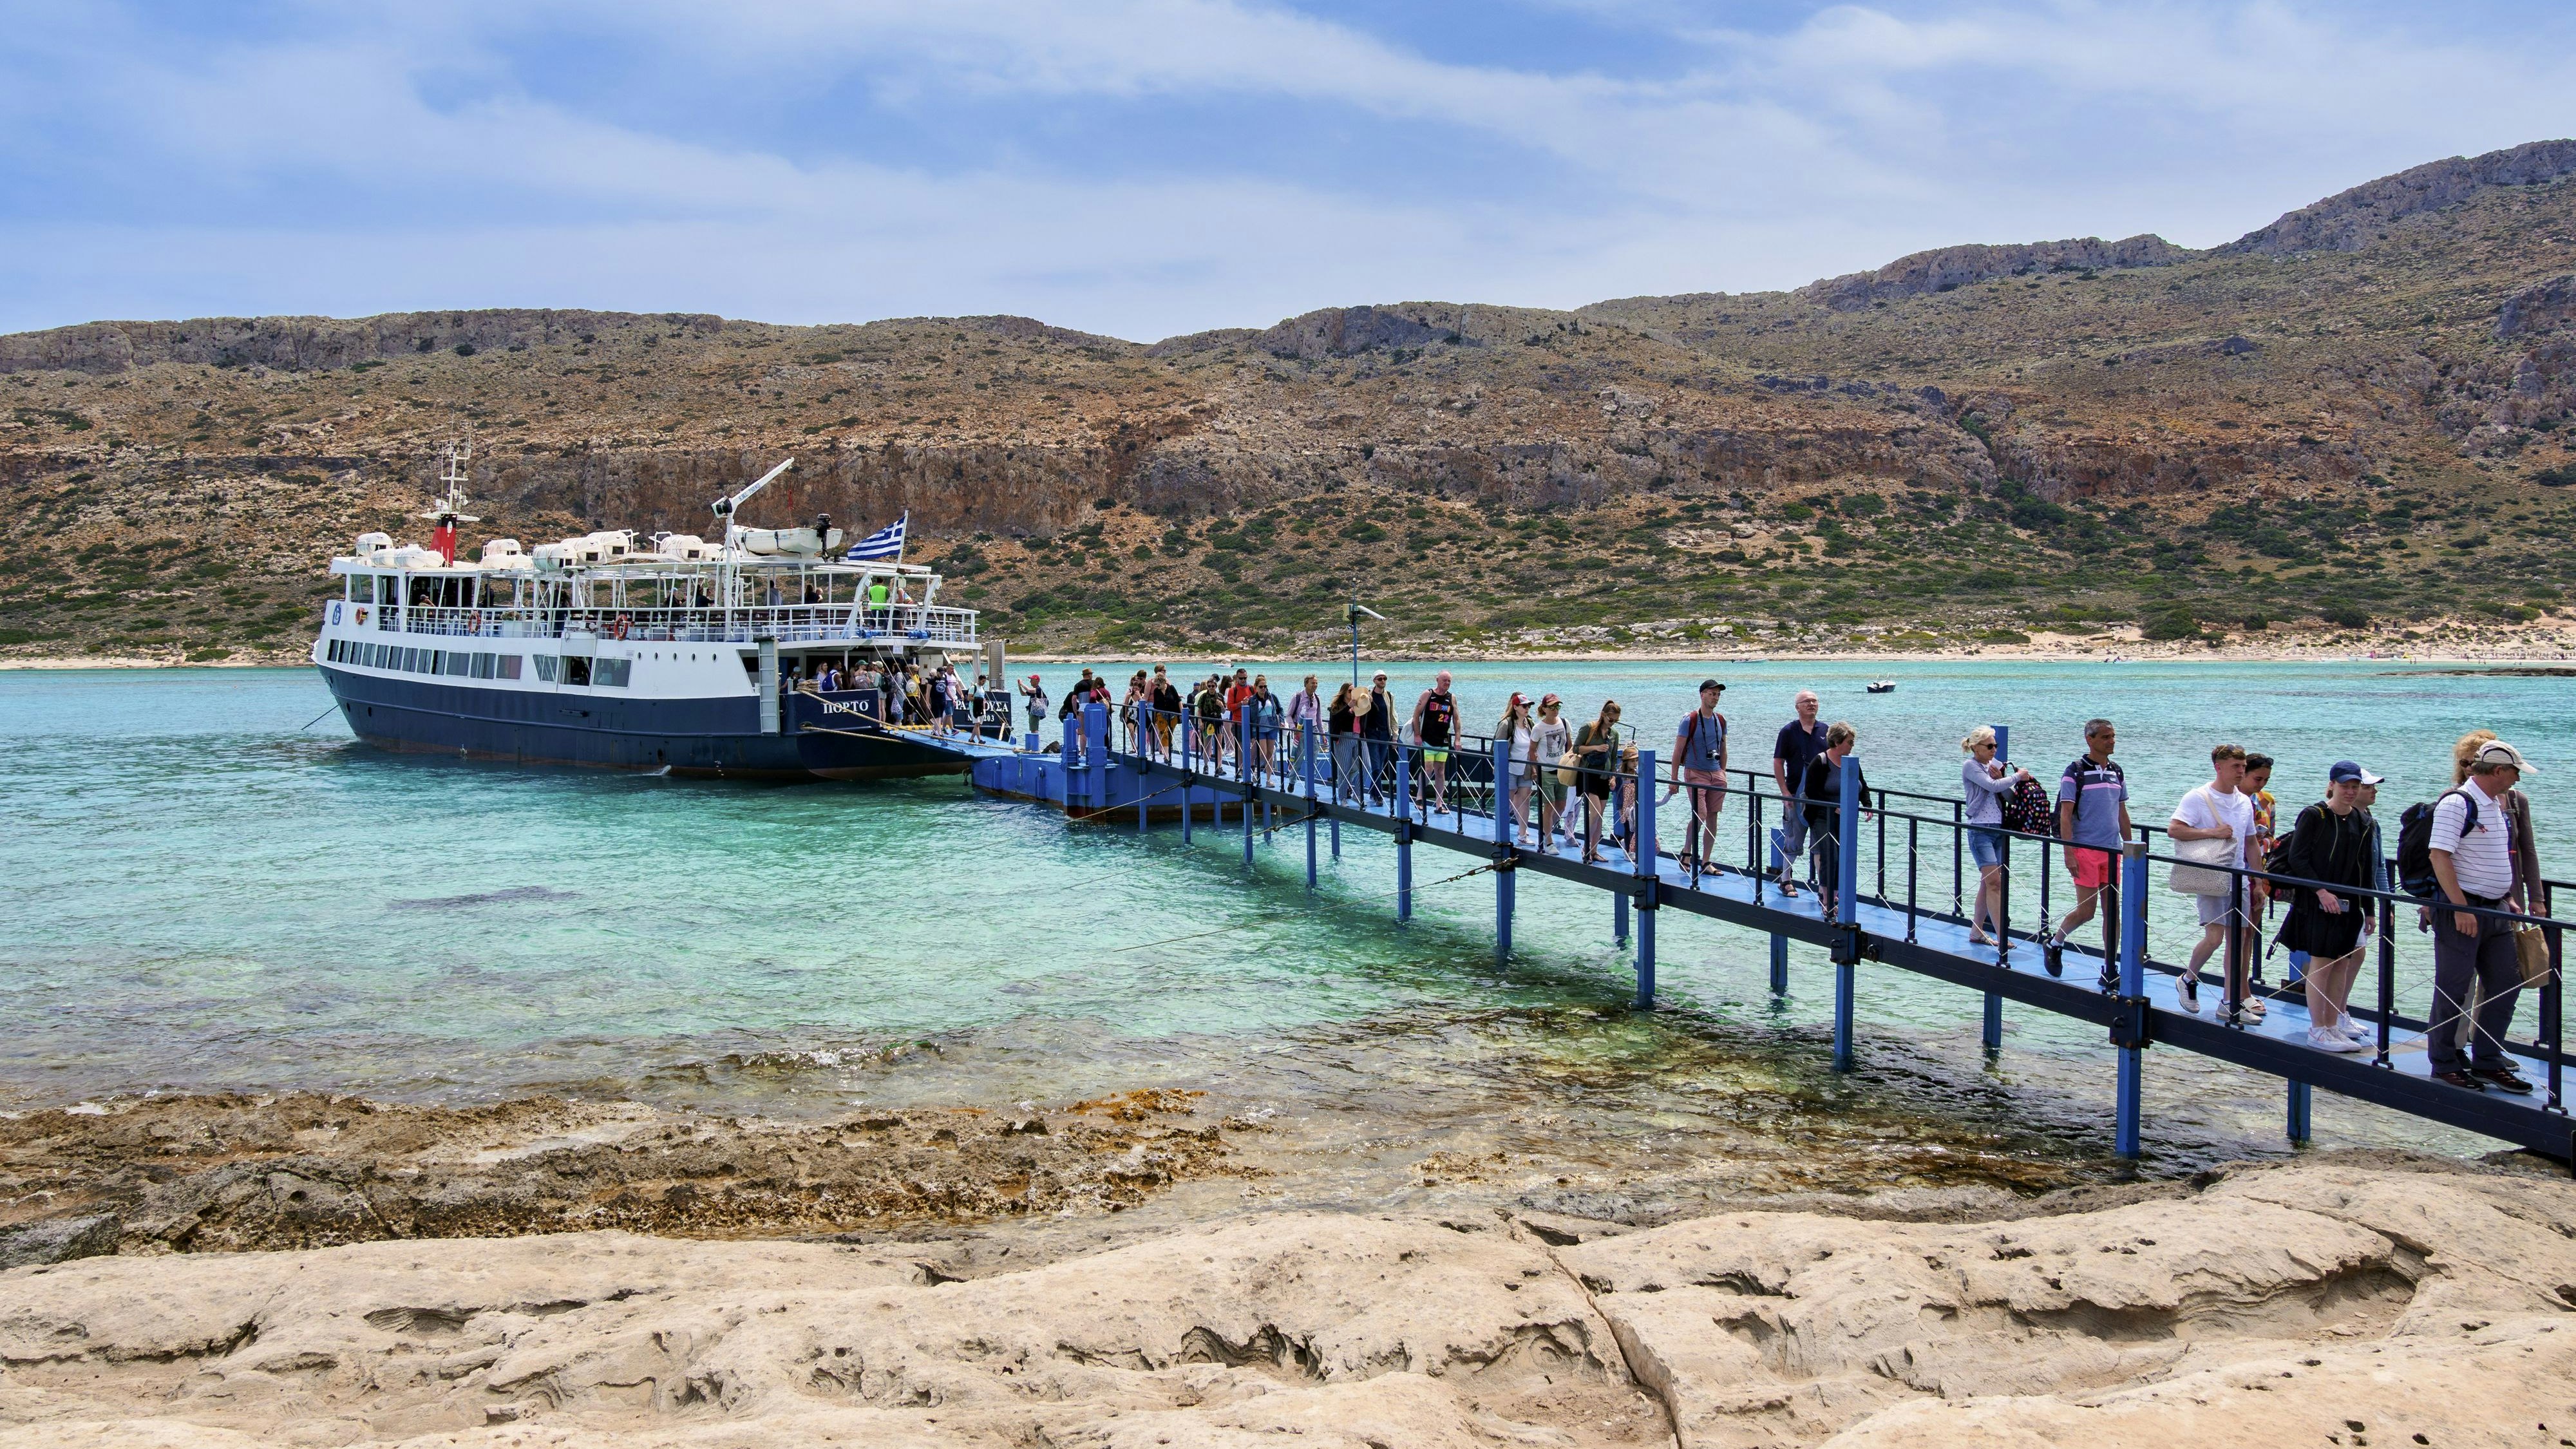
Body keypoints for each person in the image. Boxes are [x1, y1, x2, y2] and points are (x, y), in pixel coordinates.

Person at [2425, 738, 2541, 1094]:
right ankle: (2444, 1062)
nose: (2517, 781)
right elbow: (2439, 856)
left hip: (2497, 910)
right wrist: (2460, 906)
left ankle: (2488, 1060)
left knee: (2507, 983)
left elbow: (2496, 855)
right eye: (2514, 773)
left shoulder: (2497, 803)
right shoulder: (2458, 803)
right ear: (2497, 771)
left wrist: (2507, 895)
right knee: (2454, 988)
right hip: (2464, 911)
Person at [2275, 761, 2382, 1052]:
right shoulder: (2315, 815)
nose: (2350, 791)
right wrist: (2321, 891)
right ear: (2332, 784)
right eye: (2345, 786)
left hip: (2350, 904)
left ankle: (2333, 1025)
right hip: (2318, 902)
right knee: (2321, 963)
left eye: (2355, 786)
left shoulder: (2364, 822)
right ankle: (2318, 1028)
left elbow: (2365, 867)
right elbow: (2299, 858)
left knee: (2342, 964)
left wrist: (2369, 909)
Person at [2167, 743, 2257, 1018]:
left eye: (2243, 767)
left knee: (2239, 939)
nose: (2241, 772)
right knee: (2215, 937)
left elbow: (2251, 842)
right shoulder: (2198, 797)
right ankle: (2188, 978)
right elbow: (2175, 830)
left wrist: (2260, 882)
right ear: (2218, 767)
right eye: (2235, 767)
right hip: (2211, 875)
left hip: (2238, 878)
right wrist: (2213, 833)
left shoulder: (2244, 801)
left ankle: (2230, 1003)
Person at [2047, 718, 2133, 991]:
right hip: (2085, 850)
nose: (2112, 741)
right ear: (2091, 740)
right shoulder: (2075, 772)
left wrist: (2130, 848)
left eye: (2113, 736)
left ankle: (2110, 968)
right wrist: (2068, 853)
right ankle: (2055, 943)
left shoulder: (2117, 772)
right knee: (2087, 912)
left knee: (2113, 912)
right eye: (2106, 737)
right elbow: (2065, 815)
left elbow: (2122, 812)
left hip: (2112, 851)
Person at [1959, 726, 2031, 949]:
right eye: (1990, 746)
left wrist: (2005, 779)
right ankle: (2001, 937)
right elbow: (1990, 785)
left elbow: (2007, 795)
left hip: (1997, 829)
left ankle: (1976, 932)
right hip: (1980, 829)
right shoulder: (1970, 766)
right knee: (1994, 882)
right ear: (1976, 747)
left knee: (1987, 883)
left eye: (1995, 746)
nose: (1994, 750)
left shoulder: (1995, 766)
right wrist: (2017, 776)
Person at [1801, 723, 1871, 919]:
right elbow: (1812, 791)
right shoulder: (1820, 762)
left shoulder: (1851, 762)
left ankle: (1836, 896)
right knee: (1829, 856)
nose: (1852, 745)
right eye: (1849, 742)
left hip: (1846, 817)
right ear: (1838, 742)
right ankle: (1827, 900)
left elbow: (1862, 785)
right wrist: (1832, 806)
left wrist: (1867, 804)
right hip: (1823, 816)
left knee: (1843, 857)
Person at [1665, 679, 1730, 876]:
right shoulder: (1690, 720)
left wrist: (1723, 771)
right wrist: (1674, 778)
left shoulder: (1720, 720)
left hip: (1716, 773)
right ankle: (1687, 852)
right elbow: (1677, 751)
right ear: (1702, 695)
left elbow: (1723, 747)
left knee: (1713, 817)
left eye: (1718, 695)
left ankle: (1706, 861)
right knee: (1700, 815)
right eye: (1712, 694)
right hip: (1695, 773)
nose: (1715, 698)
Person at [1771, 690, 1828, 896]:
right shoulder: (1788, 731)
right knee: (1793, 839)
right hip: (1795, 793)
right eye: (1807, 702)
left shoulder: (1826, 731)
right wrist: (1784, 791)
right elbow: (1778, 762)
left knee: (1821, 843)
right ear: (1798, 707)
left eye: (1814, 701)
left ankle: (1823, 889)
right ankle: (1785, 880)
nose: (1812, 704)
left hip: (1821, 798)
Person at [1573, 700, 1624, 864]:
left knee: (1600, 814)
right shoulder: (1589, 728)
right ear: (1603, 715)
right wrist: (1595, 748)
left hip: (1604, 777)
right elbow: (1576, 748)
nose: (1613, 723)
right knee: (1594, 812)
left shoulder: (1614, 734)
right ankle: (1586, 848)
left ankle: (1594, 851)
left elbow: (1615, 757)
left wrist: (1614, 777)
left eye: (1616, 720)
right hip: (1589, 774)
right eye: (1611, 719)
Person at [1410, 670, 1461, 817]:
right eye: (1444, 680)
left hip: (1443, 740)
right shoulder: (1428, 694)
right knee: (1428, 768)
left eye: (1449, 681)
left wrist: (1458, 739)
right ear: (1437, 680)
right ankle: (1420, 796)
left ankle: (1439, 803)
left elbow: (1456, 719)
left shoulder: (1452, 698)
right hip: (1427, 739)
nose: (1447, 683)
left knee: (1440, 771)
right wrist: (1418, 735)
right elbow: (1416, 715)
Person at [1532, 694, 1573, 851]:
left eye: (1558, 707)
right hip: (1546, 772)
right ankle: (1549, 842)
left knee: (1561, 806)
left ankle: (1545, 828)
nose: (1555, 710)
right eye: (1552, 707)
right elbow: (1532, 749)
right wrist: (1534, 769)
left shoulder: (1564, 723)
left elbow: (1570, 743)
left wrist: (1571, 762)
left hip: (1562, 771)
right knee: (1549, 805)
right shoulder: (1538, 728)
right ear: (1544, 709)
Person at [1498, 693, 1535, 844]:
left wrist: (1534, 767)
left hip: (1525, 769)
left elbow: (1534, 747)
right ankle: (1501, 827)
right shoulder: (1507, 724)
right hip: (1510, 768)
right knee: (1507, 799)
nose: (1527, 709)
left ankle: (1522, 834)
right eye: (1524, 706)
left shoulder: (1530, 724)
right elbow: (1497, 746)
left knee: (1525, 800)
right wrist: (1497, 766)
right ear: (1515, 707)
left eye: (1529, 706)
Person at [1363, 670, 1397, 801]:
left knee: (1381, 765)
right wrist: (1367, 701)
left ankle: (1372, 792)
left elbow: (1393, 716)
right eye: (1379, 679)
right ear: (1374, 681)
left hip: (1385, 734)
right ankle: (1379, 796)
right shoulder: (1367, 696)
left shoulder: (1389, 696)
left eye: (1384, 679)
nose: (1382, 681)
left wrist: (1395, 736)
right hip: (1371, 733)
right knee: (1376, 766)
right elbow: (1360, 713)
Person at [1284, 674, 1325, 780]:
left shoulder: (1317, 698)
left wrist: (1322, 734)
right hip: (1300, 730)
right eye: (1312, 683)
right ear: (1306, 684)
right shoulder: (1297, 697)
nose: (1315, 685)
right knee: (1298, 759)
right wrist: (1294, 728)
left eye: (1316, 683)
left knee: (1313, 760)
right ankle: (1292, 781)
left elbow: (1319, 718)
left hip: (1313, 730)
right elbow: (1288, 715)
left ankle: (1311, 785)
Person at [1329, 683, 1364, 802]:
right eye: (1350, 691)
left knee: (1366, 766)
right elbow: (1336, 718)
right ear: (1344, 692)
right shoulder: (1337, 706)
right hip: (1344, 737)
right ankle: (1343, 797)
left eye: (1354, 691)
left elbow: (1373, 713)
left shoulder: (1358, 705)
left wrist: (1370, 702)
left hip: (1359, 736)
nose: (1352, 693)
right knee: (1344, 769)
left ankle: (1357, 794)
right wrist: (1348, 707)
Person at [1021, 674, 1049, 740]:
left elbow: (1029, 690)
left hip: (1035, 712)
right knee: (1033, 729)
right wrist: (1019, 686)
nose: (1030, 682)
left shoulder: (1038, 689)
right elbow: (1023, 694)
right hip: (1032, 712)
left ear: (1036, 681)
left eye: (1031, 680)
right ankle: (1035, 744)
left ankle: (1036, 745)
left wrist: (1022, 684)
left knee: (1035, 729)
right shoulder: (1034, 690)